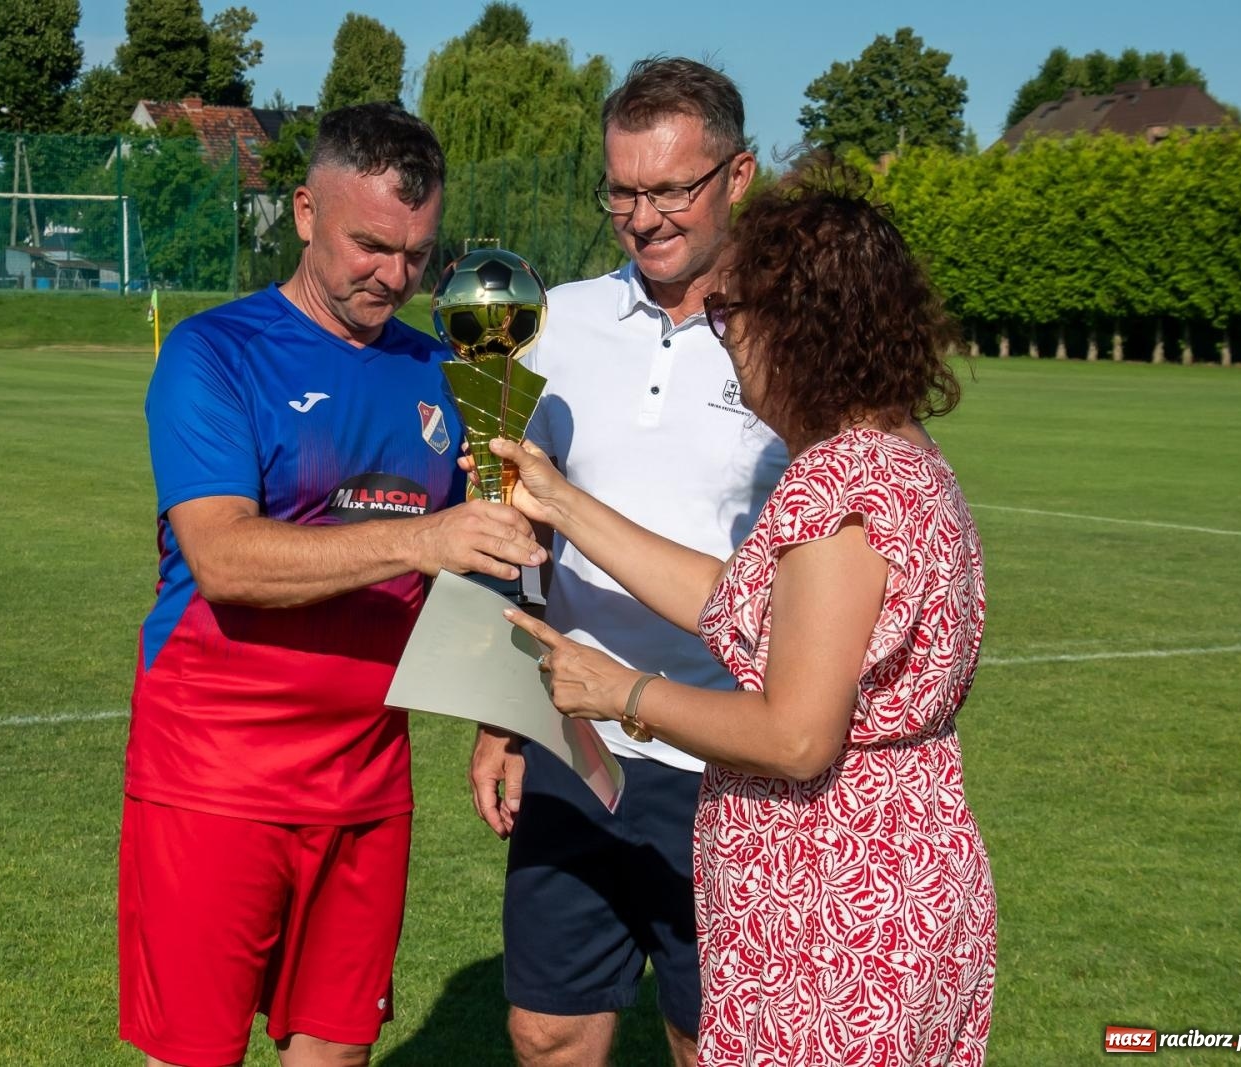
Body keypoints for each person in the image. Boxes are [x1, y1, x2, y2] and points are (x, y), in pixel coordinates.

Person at [491, 170, 997, 1065]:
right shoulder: (904, 457)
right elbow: (741, 603)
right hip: (896, 880)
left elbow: (797, 735)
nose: (727, 346)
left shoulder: (839, 487)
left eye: (734, 319)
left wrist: (618, 689)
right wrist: (561, 503)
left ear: (801, 329)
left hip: (835, 905)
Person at [119, 102, 545, 1067]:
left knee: (339, 1054)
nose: (393, 276)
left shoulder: (452, 374)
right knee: (195, 1057)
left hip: (363, 780)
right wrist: (422, 538)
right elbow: (225, 558)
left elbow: (493, 556)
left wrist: (499, 716)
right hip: (212, 778)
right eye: (370, 245)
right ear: (306, 211)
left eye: (418, 254)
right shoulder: (213, 353)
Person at [467, 58, 787, 1067]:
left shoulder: (795, 337)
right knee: (547, 1025)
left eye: (668, 190)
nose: (641, 217)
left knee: (712, 1037)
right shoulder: (549, 325)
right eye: (621, 191)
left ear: (736, 176)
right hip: (577, 737)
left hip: (730, 754)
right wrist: (498, 714)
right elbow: (510, 526)